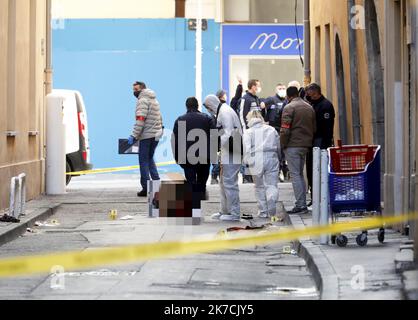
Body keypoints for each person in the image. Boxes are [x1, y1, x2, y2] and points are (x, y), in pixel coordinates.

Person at [204, 95, 243, 222]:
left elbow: (228, 133)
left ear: (212, 104)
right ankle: (225, 210)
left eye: (208, 107)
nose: (209, 110)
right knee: (224, 182)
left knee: (229, 182)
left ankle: (234, 212)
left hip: (232, 149)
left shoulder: (225, 112)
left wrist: (215, 144)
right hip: (229, 149)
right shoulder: (223, 111)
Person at [280, 86, 316, 214]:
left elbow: (285, 129)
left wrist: (282, 144)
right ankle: (302, 203)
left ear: (288, 96)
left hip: (292, 145)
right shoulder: (309, 107)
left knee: (296, 175)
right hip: (305, 145)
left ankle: (300, 204)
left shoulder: (289, 107)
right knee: (301, 175)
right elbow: (314, 127)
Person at [172, 97, 216, 200]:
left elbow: (175, 141)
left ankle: (194, 201)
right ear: (198, 106)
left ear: (186, 106)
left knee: (191, 182)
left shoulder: (180, 120)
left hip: (187, 157)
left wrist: (177, 157)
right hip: (204, 156)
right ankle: (200, 194)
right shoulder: (207, 118)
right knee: (202, 181)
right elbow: (215, 137)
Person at [128, 81, 163, 197]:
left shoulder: (142, 100)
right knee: (150, 158)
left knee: (143, 161)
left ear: (142, 89)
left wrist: (134, 135)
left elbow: (140, 120)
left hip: (147, 135)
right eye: (133, 89)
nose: (134, 92)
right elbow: (159, 117)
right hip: (156, 134)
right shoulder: (154, 100)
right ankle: (157, 184)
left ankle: (146, 187)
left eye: (136, 89)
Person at [243, 110, 281, 218]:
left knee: (259, 186)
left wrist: (246, 162)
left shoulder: (248, 132)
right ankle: (271, 198)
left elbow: (246, 148)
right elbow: (278, 145)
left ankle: (263, 211)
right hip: (271, 156)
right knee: (272, 184)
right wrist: (279, 157)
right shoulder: (271, 129)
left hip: (256, 158)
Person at [305, 83, 336, 203]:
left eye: (309, 93)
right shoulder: (313, 104)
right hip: (313, 141)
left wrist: (325, 145)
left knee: (318, 170)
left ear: (315, 92)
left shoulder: (325, 106)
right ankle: (314, 196)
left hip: (321, 142)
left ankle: (320, 198)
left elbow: (326, 128)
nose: (308, 95)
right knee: (311, 170)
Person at [260, 83, 289, 182]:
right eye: (280, 88)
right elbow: (262, 107)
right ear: (276, 90)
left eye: (283, 88)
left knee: (283, 152)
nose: (282, 90)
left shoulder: (287, 101)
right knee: (276, 151)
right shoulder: (271, 99)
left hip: (284, 129)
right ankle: (277, 172)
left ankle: (285, 172)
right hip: (273, 129)